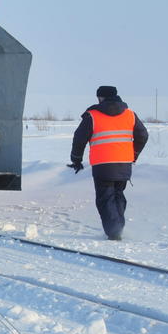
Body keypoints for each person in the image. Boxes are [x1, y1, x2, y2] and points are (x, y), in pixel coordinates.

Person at [68, 86, 148, 241]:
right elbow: (143, 135)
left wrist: (76, 159)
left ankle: (114, 232)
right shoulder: (130, 114)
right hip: (124, 163)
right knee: (118, 195)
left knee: (106, 198)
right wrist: (134, 154)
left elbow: (79, 139)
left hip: (103, 164)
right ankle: (118, 227)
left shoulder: (92, 116)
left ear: (100, 98)